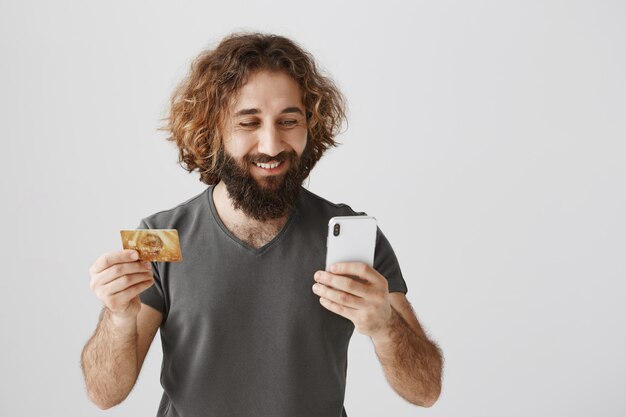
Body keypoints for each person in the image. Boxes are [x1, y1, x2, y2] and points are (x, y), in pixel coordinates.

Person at [81, 32, 443, 416]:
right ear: (212, 130)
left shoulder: (352, 234)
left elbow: (426, 392)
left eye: (289, 120)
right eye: (248, 123)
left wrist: (386, 327)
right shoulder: (163, 237)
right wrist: (119, 317)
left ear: (310, 125)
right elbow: (105, 395)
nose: (271, 145)